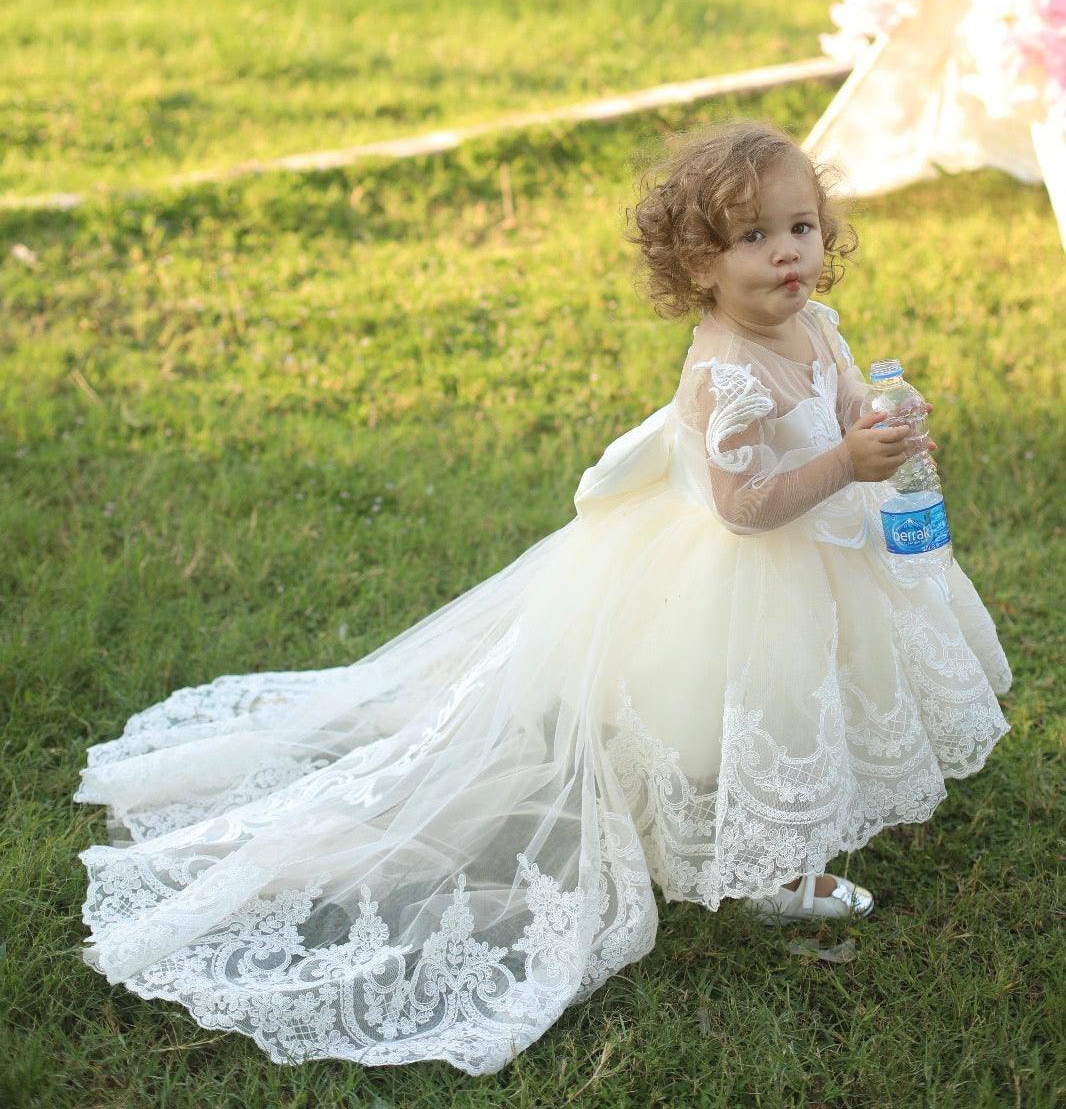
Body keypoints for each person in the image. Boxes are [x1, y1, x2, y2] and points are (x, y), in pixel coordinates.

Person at [74, 119, 1012, 1077]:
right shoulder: (724, 370)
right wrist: (843, 463)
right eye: (753, 237)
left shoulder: (814, 323)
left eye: (802, 227)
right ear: (697, 263)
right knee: (746, 715)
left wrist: (881, 426)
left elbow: (849, 401)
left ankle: (799, 833)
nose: (787, 254)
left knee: (825, 694)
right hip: (743, 577)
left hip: (824, 556)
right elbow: (743, 508)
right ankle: (773, 867)